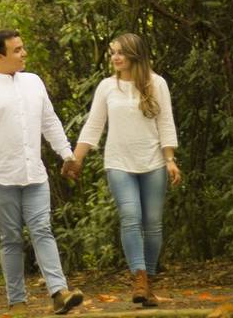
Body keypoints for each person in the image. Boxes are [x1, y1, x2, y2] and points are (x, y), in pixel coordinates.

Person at [0, 29, 84, 315]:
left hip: (34, 174)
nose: (24, 53)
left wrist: (67, 155)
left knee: (42, 230)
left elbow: (50, 121)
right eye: (17, 50)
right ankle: (17, 302)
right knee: (11, 238)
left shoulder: (33, 82)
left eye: (23, 48)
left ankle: (59, 292)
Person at [62, 32, 181, 307]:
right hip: (119, 162)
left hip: (153, 162)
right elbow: (93, 125)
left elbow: (166, 123)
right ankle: (139, 278)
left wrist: (170, 159)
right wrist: (75, 158)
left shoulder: (157, 83)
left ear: (135, 55)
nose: (115, 57)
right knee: (130, 217)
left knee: (152, 224)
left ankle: (149, 281)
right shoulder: (107, 86)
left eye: (120, 52)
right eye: (112, 52)